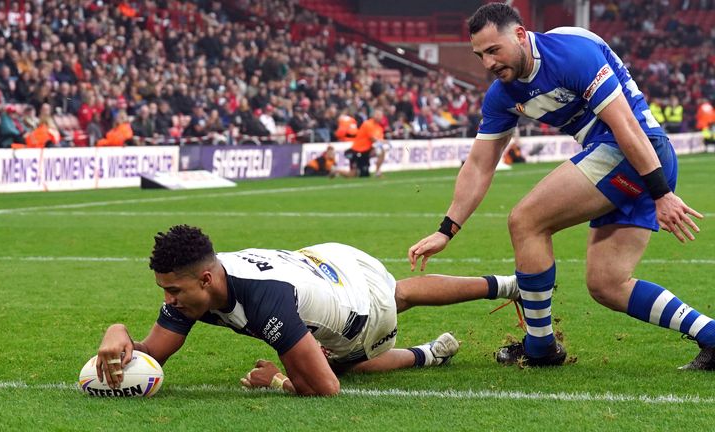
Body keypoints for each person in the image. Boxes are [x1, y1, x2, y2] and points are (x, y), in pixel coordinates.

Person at [408, 3, 708, 369]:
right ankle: (711, 336)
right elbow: (479, 165)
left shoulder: (568, 53)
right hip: (632, 162)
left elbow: (625, 126)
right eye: (479, 55)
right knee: (607, 284)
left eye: (493, 50)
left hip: (636, 151)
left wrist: (661, 192)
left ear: (519, 35)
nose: (487, 63)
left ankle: (541, 348)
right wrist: (447, 229)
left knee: (526, 220)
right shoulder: (503, 95)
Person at [95, 225, 520, 396]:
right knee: (402, 292)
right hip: (327, 261)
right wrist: (117, 331)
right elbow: (154, 354)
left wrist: (276, 380)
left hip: (364, 316)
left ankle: (429, 351)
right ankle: (506, 285)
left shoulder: (264, 302)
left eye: (173, 291)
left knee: (345, 362)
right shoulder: (199, 278)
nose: (168, 300)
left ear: (205, 280)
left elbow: (324, 388)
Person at [347, 109, 388, 178]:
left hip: (367, 150)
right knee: (353, 175)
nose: (378, 117)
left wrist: (383, 142)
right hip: (358, 150)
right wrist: (384, 142)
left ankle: (377, 172)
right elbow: (373, 139)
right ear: (373, 115)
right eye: (377, 114)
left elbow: (379, 140)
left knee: (382, 150)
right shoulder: (368, 124)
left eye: (380, 115)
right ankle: (336, 171)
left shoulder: (379, 128)